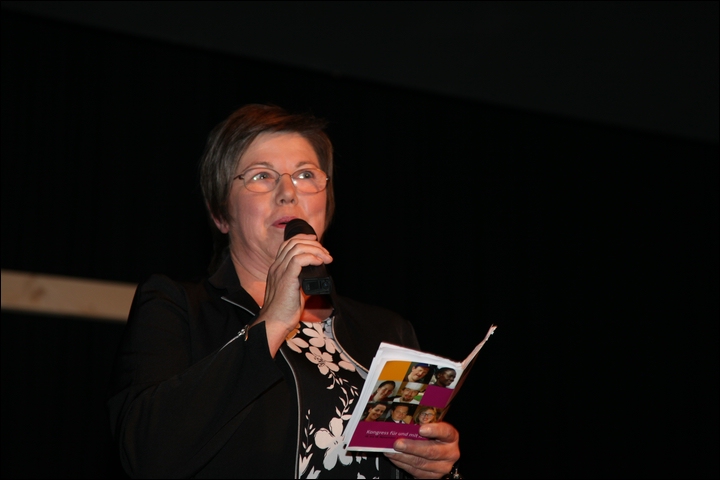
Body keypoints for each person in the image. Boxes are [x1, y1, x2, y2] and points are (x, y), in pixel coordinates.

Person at [107, 104, 461, 479]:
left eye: (306, 174)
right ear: (220, 214)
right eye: (262, 176)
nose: (288, 193)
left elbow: (411, 454)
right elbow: (147, 452)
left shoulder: (386, 330)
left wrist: (437, 465)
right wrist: (272, 321)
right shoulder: (176, 307)